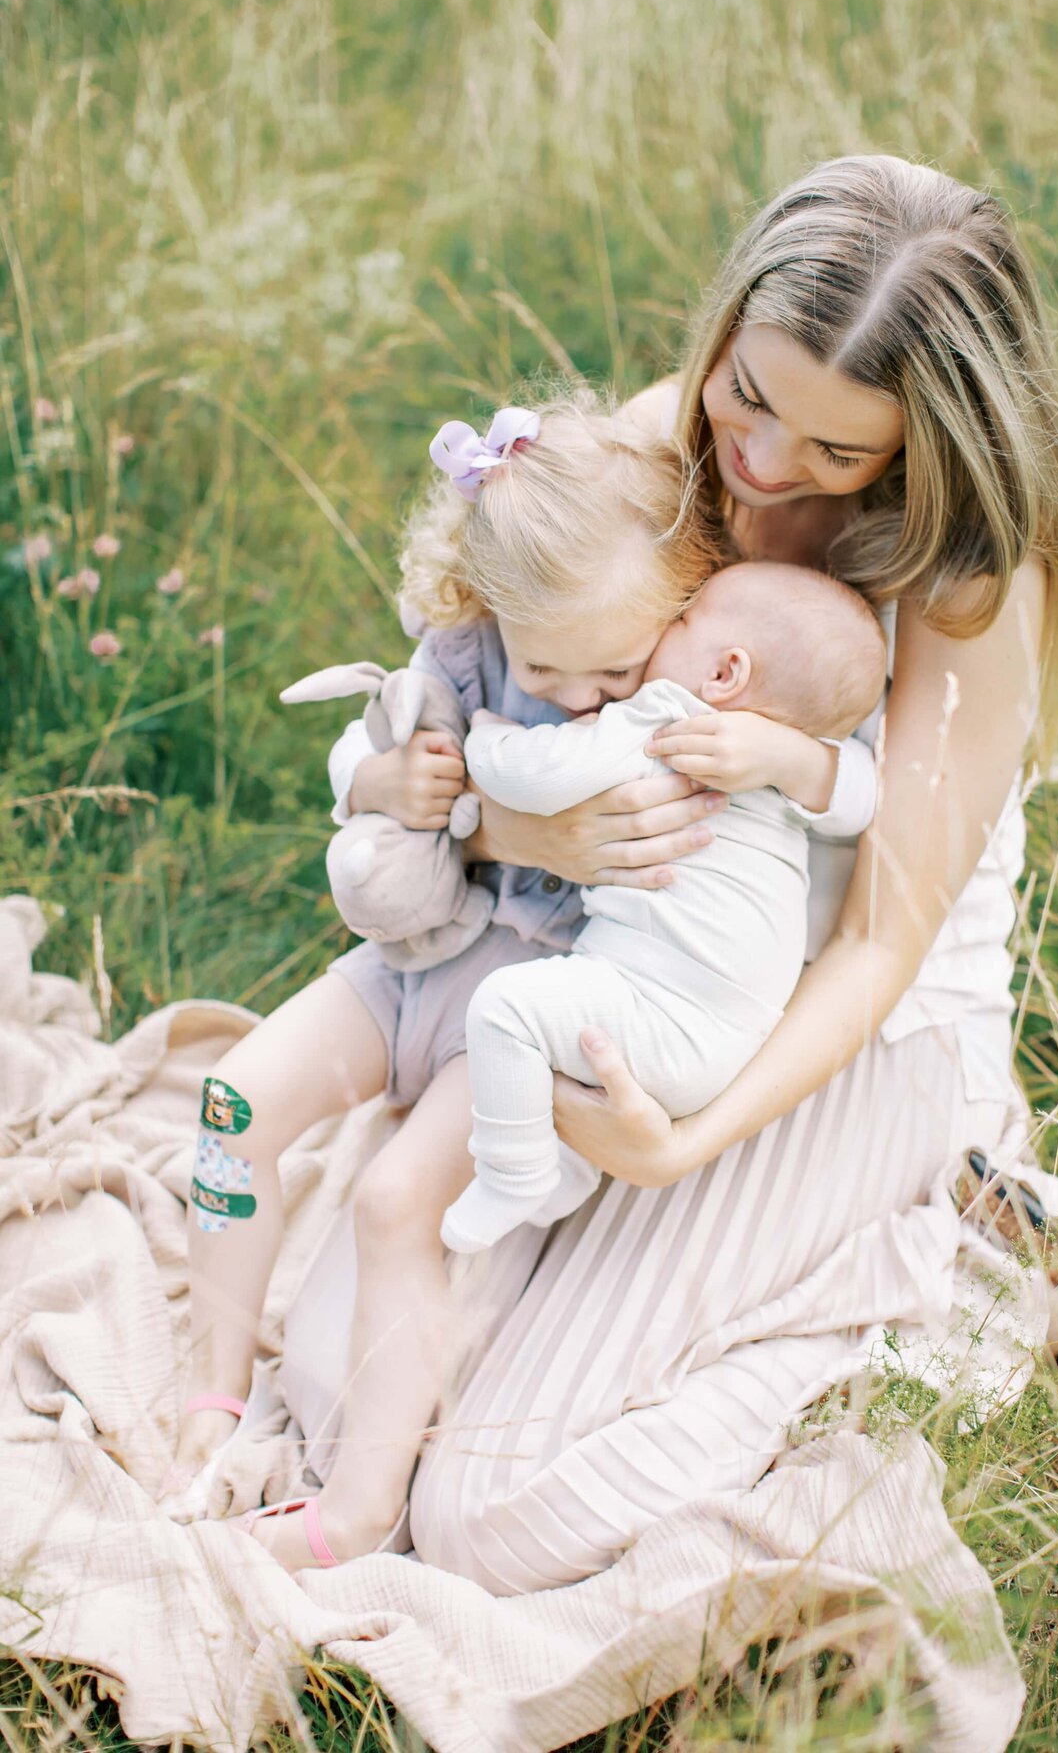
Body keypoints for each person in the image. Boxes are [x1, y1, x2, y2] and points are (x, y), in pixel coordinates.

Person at [296, 152, 1058, 1598]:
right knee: (329, 1397)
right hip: (616, 965)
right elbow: (466, 720)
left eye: (834, 451)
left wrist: (687, 1144)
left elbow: (882, 941)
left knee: (494, 1518)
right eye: (751, 396)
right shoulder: (646, 456)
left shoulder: (966, 582)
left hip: (840, 1036)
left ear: (926, 445)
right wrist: (514, 836)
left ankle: (951, 1251)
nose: (760, 466)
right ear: (728, 330)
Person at [166, 392, 867, 1571]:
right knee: (232, 1106)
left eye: (611, 666)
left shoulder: (685, 705)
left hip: (540, 996)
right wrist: (386, 787)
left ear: (682, 610)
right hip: (412, 966)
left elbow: (841, 795)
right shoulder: (471, 652)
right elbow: (375, 740)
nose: (583, 692)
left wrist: (778, 753)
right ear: (490, 609)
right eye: (548, 664)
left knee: (398, 1206)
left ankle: (356, 1509)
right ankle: (212, 1396)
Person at [444, 558, 885, 1252]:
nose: (662, 633)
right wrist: (791, 756)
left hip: (656, 1009)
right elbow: (865, 796)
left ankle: (512, 1174)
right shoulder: (782, 765)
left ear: (724, 674)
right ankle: (564, 1168)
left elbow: (541, 773)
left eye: (682, 620)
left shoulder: (667, 715)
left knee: (505, 1011)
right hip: (736, 1043)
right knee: (553, 1024)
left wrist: (484, 737)